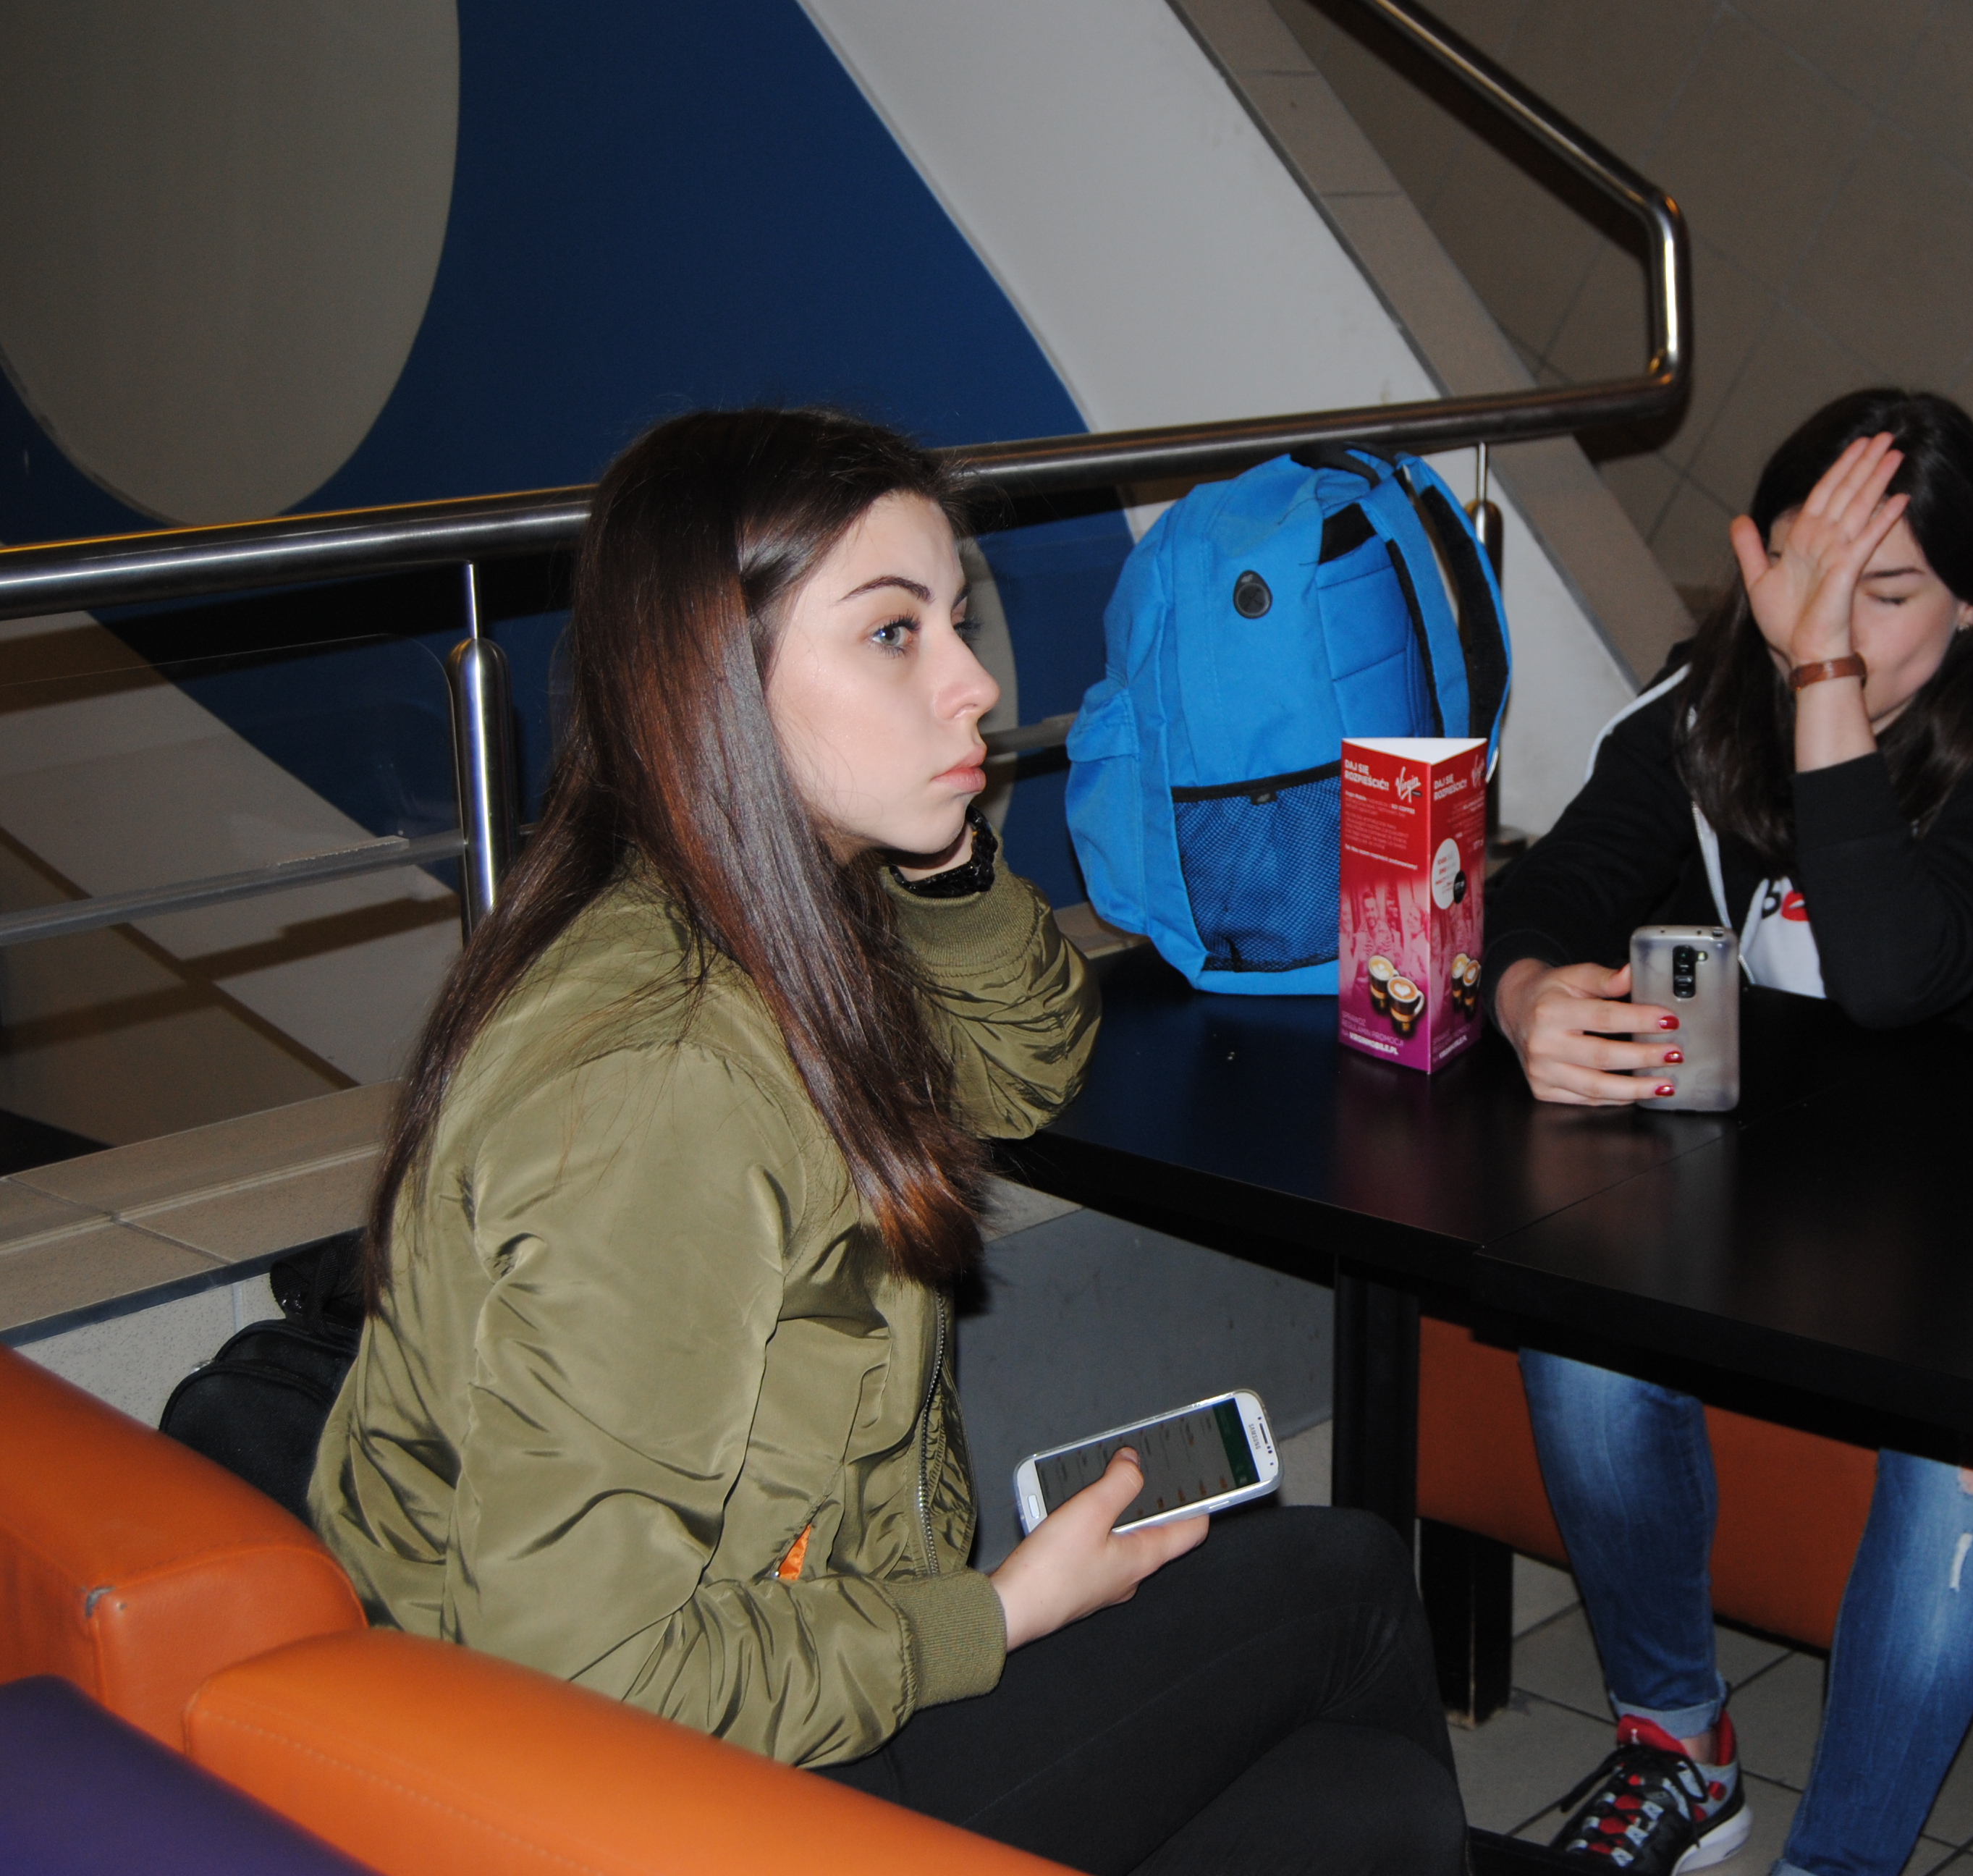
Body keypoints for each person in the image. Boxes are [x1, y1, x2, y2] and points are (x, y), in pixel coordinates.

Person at [310, 409, 1461, 1876]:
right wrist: (998, 1616)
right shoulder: (661, 1084)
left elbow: (1025, 1062)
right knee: (1347, 1596)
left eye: (955, 621)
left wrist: (949, 855)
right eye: (893, 633)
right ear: (715, 677)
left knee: (1367, 1805)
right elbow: (582, 1672)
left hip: (780, 1670)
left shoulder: (751, 907)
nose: (974, 681)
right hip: (655, 1803)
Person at [1484, 389, 1973, 1876]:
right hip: (1793, 1191)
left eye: (1882, 590)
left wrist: (1821, 678)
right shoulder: (1704, 712)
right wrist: (1523, 997)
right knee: (1575, 1322)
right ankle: (1678, 1749)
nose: (1824, 617)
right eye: (1802, 570)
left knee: (1967, 1454)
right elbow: (1551, 889)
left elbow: (1893, 968)